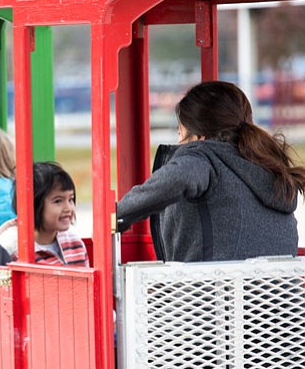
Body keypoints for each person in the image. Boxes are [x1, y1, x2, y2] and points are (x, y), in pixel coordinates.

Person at [117, 80, 305, 262]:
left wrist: (115, 216)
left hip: (216, 291)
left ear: (200, 137)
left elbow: (179, 177)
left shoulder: (204, 155)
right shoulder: (268, 165)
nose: (180, 144)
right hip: (280, 293)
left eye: (180, 135)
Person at [0, 161, 89, 266]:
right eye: (58, 201)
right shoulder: (13, 249)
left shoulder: (74, 243)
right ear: (33, 205)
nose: (68, 208)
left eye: (70, 199)